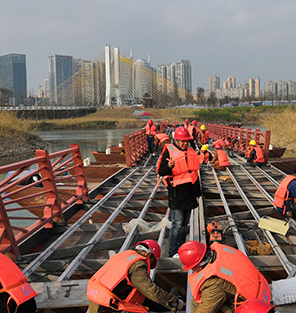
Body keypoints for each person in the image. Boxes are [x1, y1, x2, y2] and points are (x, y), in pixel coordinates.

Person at [87, 240, 184, 313]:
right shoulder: (138, 265)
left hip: (96, 297)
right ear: (149, 255)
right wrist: (174, 301)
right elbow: (152, 291)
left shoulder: (124, 255)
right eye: (152, 262)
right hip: (105, 306)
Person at [178, 241, 272, 313]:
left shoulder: (212, 284)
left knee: (194, 305)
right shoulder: (221, 250)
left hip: (254, 306)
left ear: (197, 266)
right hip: (260, 286)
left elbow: (205, 310)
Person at [156, 127, 202, 257]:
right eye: (183, 141)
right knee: (177, 224)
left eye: (187, 141)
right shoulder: (169, 152)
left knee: (185, 224)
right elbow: (161, 171)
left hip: (189, 192)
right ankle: (172, 251)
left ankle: (181, 249)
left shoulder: (190, 151)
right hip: (176, 192)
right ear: (176, 140)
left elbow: (194, 173)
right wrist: (169, 166)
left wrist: (198, 193)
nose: (185, 144)